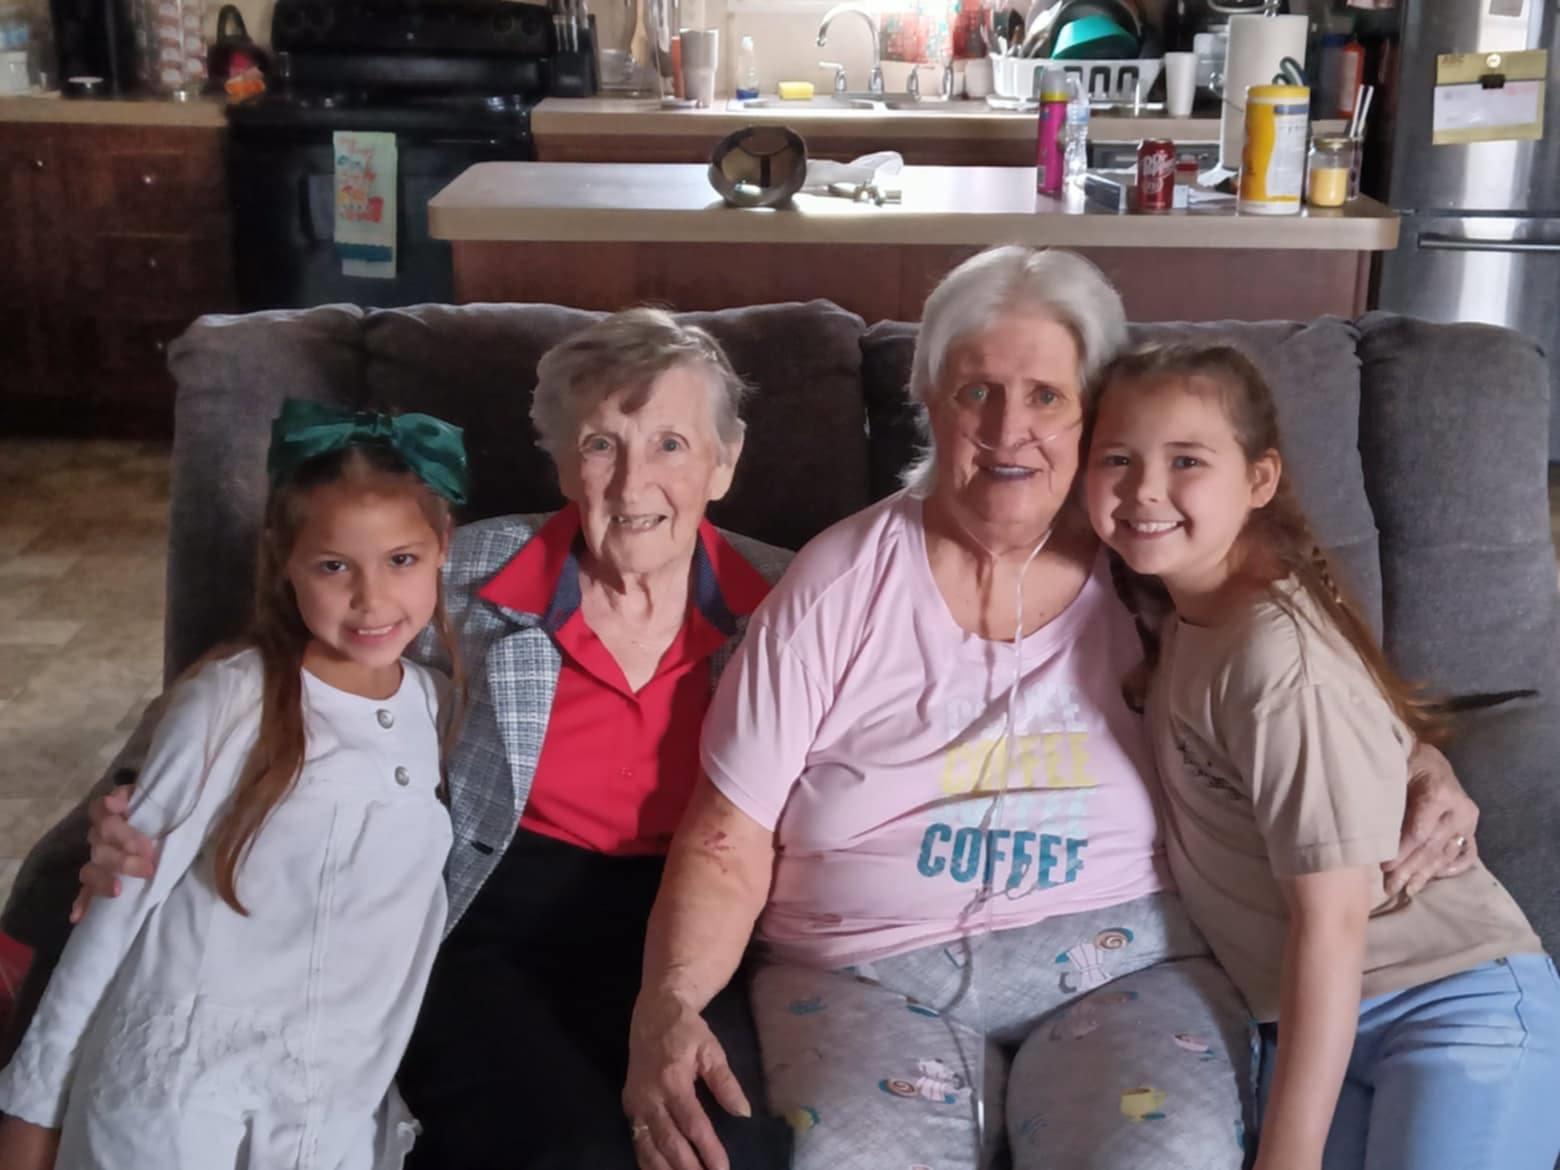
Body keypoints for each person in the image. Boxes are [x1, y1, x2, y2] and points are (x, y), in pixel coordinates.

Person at [621, 246, 1485, 1170]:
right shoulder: (839, 581)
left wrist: (1415, 758)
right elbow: (729, 831)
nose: (1007, 429)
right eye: (975, 392)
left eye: (1046, 396)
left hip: (1126, 961)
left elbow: (1300, 677)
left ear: (1094, 412)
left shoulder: (1149, 558)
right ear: (928, 402)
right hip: (864, 968)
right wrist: (664, 1005)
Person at [54, 309, 794, 1170]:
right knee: (563, 1153)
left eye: (671, 443)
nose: (633, 484)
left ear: (725, 462)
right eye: (600, 445)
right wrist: (140, 790)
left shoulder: (790, 603)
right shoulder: (466, 576)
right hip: (492, 922)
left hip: (695, 923)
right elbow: (289, 668)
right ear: (559, 459)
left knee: (727, 1149)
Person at [1082, 342, 1560, 1170]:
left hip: (1448, 1005)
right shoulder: (1178, 606)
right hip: (1310, 1019)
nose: (1144, 489)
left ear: (1259, 480)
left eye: (1186, 459)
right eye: (1117, 458)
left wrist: (1286, 1159)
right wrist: (1414, 753)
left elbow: (1332, 920)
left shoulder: (1270, 656)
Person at [0, 400, 468, 1169]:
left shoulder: (439, 709)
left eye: (402, 560)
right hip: (172, 1100)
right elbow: (118, 909)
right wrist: (30, 1108)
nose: (372, 598)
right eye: (333, 566)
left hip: (331, 1109)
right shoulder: (231, 698)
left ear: (443, 548)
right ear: (284, 560)